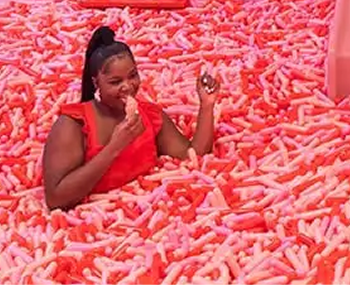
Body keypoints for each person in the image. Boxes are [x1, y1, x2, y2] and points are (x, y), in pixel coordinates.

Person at [41, 25, 221, 210]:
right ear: (96, 83)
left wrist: (207, 105)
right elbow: (56, 199)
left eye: (133, 76)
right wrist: (114, 147)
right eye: (115, 82)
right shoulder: (73, 124)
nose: (127, 87)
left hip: (149, 213)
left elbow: (194, 154)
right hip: (96, 220)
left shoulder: (151, 116)